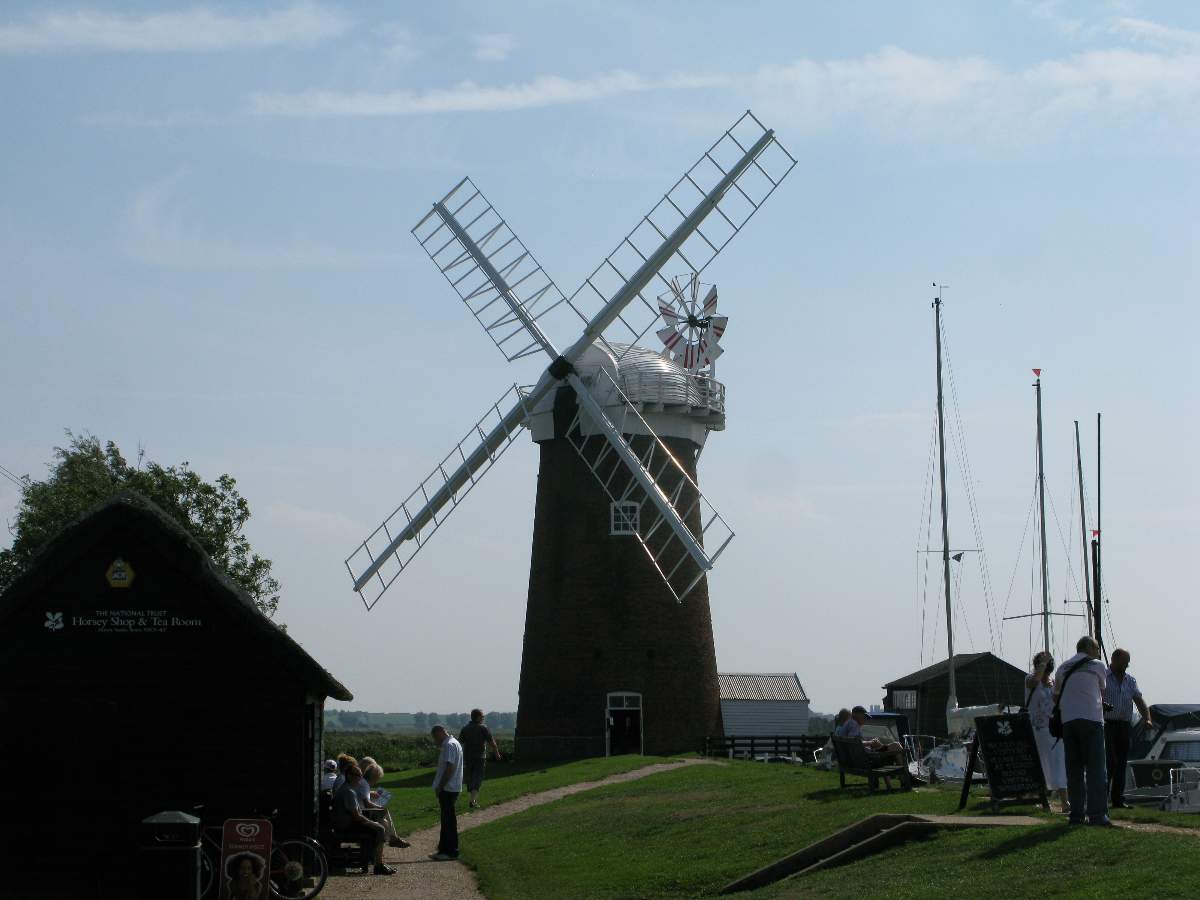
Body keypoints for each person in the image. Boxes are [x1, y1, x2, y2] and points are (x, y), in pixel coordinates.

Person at [1054, 636, 1111, 826]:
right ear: (1088, 648)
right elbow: (1102, 690)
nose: (1098, 652)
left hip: (1069, 721)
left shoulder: (1062, 667)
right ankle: (1097, 815)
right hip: (1092, 719)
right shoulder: (1098, 665)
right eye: (1096, 648)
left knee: (1074, 770)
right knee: (1096, 769)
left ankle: (1076, 815)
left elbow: (1056, 696)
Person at [1104, 647, 1152, 809]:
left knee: (1121, 763)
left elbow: (1139, 701)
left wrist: (1147, 718)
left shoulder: (1130, 680)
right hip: (1107, 724)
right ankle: (1102, 798)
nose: (1127, 665)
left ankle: (1118, 799)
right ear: (1115, 660)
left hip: (1124, 725)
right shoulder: (1103, 677)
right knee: (1109, 762)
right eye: (1125, 662)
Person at [332, 764, 394, 875]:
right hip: (346, 826)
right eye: (358, 775)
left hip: (348, 823)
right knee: (380, 829)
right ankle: (378, 865)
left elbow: (356, 812)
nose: (360, 779)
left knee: (378, 826)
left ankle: (376, 860)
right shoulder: (348, 791)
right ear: (349, 776)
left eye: (361, 775)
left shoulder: (349, 789)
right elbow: (356, 816)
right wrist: (371, 822)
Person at [1026, 650, 1068, 812]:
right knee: (1041, 765)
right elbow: (1034, 681)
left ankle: (1065, 801)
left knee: (1059, 763)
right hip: (1037, 729)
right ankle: (1043, 800)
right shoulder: (1029, 679)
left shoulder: (1054, 683)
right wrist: (1042, 665)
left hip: (1054, 729)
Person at [430, 724, 464, 861]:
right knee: (447, 820)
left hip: (448, 788)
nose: (435, 741)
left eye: (434, 738)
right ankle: (443, 849)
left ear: (439, 733)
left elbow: (449, 768)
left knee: (448, 821)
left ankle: (450, 851)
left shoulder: (449, 745)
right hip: (452, 787)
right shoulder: (454, 743)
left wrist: (440, 786)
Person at [459, 709, 502, 809]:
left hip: (467, 757)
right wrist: (497, 754)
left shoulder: (465, 728)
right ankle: (472, 801)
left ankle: (472, 798)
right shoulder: (483, 728)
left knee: (470, 778)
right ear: (478, 717)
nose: (483, 718)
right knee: (478, 777)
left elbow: (460, 743)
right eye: (482, 716)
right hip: (480, 757)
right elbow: (492, 742)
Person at [362, 761, 410, 848]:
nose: (376, 782)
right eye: (377, 779)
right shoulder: (365, 785)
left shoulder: (363, 783)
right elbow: (367, 804)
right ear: (374, 778)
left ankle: (393, 839)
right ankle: (393, 839)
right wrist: (379, 807)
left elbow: (364, 798)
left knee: (384, 820)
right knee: (384, 815)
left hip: (362, 812)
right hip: (363, 814)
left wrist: (370, 793)